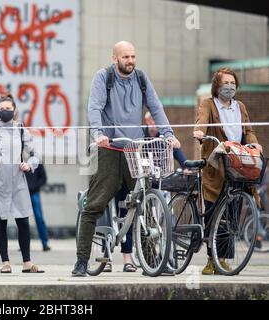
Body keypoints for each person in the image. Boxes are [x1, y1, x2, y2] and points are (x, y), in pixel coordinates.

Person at [72, 41, 180, 277]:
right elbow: (95, 108)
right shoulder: (104, 78)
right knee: (95, 205)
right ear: (115, 58)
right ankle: (81, 261)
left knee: (147, 203)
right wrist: (98, 134)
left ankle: (154, 262)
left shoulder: (141, 79)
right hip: (110, 148)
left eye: (133, 56)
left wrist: (169, 134)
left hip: (136, 150)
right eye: (125, 57)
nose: (130, 61)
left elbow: (156, 107)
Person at [193, 67, 262, 275]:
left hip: (237, 162)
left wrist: (254, 143)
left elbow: (247, 130)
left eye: (233, 83)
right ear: (217, 86)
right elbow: (202, 120)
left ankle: (222, 259)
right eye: (226, 83)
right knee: (213, 211)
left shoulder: (239, 107)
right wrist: (199, 132)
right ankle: (210, 259)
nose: (230, 87)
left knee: (231, 213)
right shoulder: (208, 104)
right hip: (216, 164)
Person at [0, 94, 44, 274]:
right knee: (0, 222)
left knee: (23, 221)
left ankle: (27, 263)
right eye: (2, 109)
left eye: (8, 109)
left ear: (15, 111)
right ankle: (5, 262)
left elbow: (35, 154)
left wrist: (29, 165)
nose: (5, 112)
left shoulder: (21, 130)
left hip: (18, 181)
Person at [25, 164, 51, 252]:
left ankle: (45, 244)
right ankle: (23, 245)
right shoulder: (20, 160)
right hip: (23, 194)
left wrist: (34, 186)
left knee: (39, 218)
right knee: (22, 220)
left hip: (34, 193)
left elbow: (43, 178)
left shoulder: (37, 162)